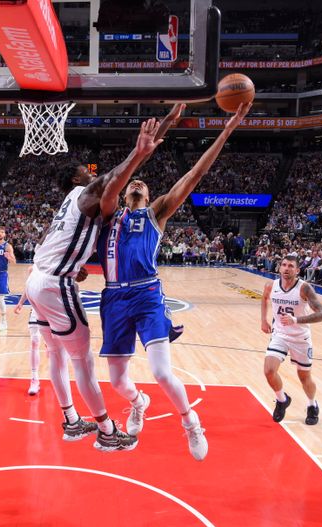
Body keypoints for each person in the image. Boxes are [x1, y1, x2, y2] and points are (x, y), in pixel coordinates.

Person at [97, 102, 249, 461]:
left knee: (162, 371)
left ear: (150, 197)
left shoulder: (157, 213)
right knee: (118, 382)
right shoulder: (108, 211)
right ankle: (139, 402)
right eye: (132, 182)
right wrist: (162, 126)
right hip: (114, 298)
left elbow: (194, 174)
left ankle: (190, 422)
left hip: (147, 295)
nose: (136, 183)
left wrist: (226, 131)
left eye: (142, 184)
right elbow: (127, 169)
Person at [25, 113, 171, 452]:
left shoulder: (66, 205)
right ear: (77, 176)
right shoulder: (85, 192)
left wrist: (75, 267)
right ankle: (106, 431)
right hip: (54, 285)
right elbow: (115, 177)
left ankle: (72, 421)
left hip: (37, 278)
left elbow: (60, 244)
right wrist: (140, 151)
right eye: (86, 170)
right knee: (83, 362)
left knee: (56, 355)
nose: (91, 172)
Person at [260, 255, 322, 425]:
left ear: (297, 270)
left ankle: (312, 405)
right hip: (280, 334)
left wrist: (296, 320)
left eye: (291, 266)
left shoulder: (304, 288)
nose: (286, 268)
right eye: (283, 265)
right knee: (269, 370)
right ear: (279, 268)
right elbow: (264, 298)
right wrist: (263, 320)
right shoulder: (271, 285)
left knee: (304, 376)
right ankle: (282, 400)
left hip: (300, 338)